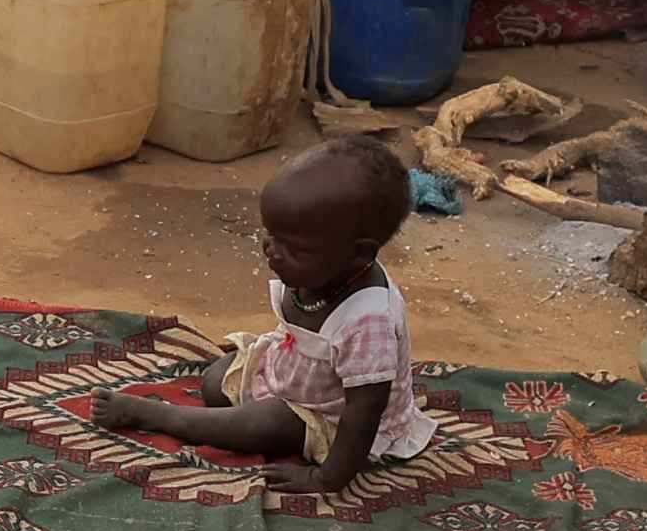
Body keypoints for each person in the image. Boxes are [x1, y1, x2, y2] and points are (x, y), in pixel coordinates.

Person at [95, 139, 440, 497]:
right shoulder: (329, 269)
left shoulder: (368, 322)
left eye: (294, 248)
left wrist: (325, 479)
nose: (270, 251)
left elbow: (363, 415)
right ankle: (237, 416)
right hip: (297, 378)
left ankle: (152, 416)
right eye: (271, 236)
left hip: (332, 419)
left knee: (267, 422)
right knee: (216, 382)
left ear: (358, 254)